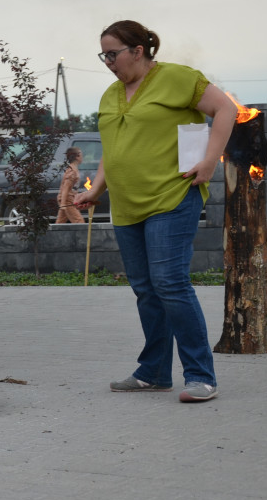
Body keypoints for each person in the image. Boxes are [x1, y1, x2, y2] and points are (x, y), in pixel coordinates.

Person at [74, 20, 236, 403]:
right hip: (127, 206)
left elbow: (225, 109)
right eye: (104, 55)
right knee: (146, 291)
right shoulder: (110, 95)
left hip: (172, 197)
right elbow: (113, 151)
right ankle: (154, 372)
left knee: (170, 284)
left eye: (113, 54)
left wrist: (210, 163)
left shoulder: (178, 78)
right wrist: (96, 189)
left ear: (138, 50)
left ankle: (201, 376)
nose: (108, 62)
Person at [55, 147, 85, 224]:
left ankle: (54, 235)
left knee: (60, 223)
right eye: (81, 154)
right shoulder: (72, 171)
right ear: (77, 156)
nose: (83, 157)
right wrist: (63, 204)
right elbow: (66, 188)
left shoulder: (74, 169)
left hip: (69, 199)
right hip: (67, 200)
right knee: (79, 222)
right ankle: (84, 236)